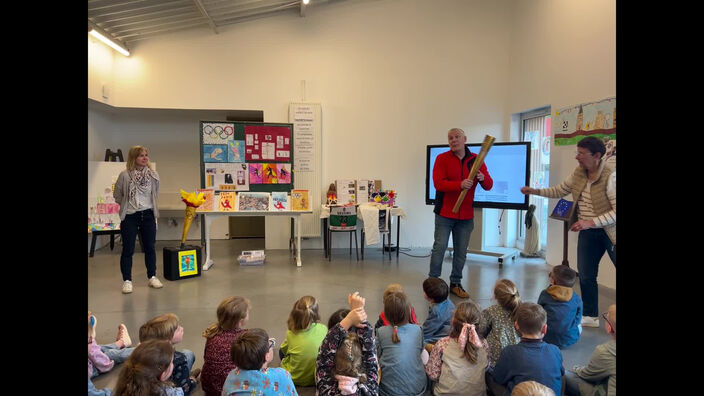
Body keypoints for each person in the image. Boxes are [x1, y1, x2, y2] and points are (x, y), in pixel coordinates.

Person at [520, 136, 615, 327]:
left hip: (611, 232)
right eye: (576, 152)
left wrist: (591, 221)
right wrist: (535, 191)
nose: (577, 157)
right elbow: (560, 190)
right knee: (587, 275)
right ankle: (591, 316)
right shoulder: (579, 173)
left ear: (597, 155)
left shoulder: (611, 175)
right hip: (589, 232)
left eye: (581, 153)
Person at [429, 128, 493, 298]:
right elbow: (439, 183)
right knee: (440, 247)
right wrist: (459, 184)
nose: (453, 140)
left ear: (465, 139)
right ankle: (433, 283)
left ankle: (455, 283)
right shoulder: (441, 158)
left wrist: (482, 178)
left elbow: (489, 185)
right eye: (450, 138)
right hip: (444, 213)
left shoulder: (476, 160)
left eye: (457, 137)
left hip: (465, 215)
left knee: (461, 251)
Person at [113, 145, 163, 294]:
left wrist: (146, 206)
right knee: (128, 249)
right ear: (134, 158)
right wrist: (129, 205)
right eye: (141, 155)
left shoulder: (153, 175)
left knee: (150, 247)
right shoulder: (125, 175)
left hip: (148, 214)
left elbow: (155, 194)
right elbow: (117, 195)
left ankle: (152, 276)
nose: (145, 158)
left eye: (146, 155)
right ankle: (127, 280)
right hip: (130, 216)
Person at [488, 303, 564, 396]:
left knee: (489, 375)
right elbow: (561, 373)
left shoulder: (510, 352)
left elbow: (498, 378)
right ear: (544, 328)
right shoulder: (555, 350)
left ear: (516, 326)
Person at [316, 292, 379, 395]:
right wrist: (358, 312)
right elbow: (370, 354)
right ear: (362, 363)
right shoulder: (369, 390)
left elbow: (325, 352)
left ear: (332, 363)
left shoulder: (327, 389)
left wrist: (349, 319)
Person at [425, 300, 489, 396]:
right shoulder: (483, 344)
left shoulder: (442, 344)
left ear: (453, 321)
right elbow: (486, 367)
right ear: (478, 325)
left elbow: (433, 375)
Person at [376, 291, 427, 396]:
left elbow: (376, 355)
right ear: (409, 312)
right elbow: (421, 351)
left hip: (388, 391)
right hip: (418, 389)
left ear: (385, 314)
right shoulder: (418, 330)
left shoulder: (381, 332)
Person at [221, 328, 298, 396]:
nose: (271, 344)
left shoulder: (231, 377)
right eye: (270, 344)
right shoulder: (283, 375)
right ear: (266, 356)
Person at [201, 296, 250, 396]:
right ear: (240, 322)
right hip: (231, 390)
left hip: (210, 387)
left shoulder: (213, 332)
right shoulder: (245, 337)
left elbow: (206, 357)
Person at [139, 313, 199, 395]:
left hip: (158, 383)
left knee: (187, 354)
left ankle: (186, 376)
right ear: (166, 340)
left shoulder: (142, 354)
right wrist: (193, 382)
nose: (182, 328)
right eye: (177, 329)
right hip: (172, 387)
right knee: (188, 354)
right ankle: (189, 378)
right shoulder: (178, 359)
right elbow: (184, 390)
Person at [564, 304, 616, 396]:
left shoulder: (605, 351)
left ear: (609, 328)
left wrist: (576, 369)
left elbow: (587, 375)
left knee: (563, 374)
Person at [279, 295, 328, 386]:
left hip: (293, 378)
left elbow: (284, 351)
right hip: (316, 377)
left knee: (281, 351)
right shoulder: (323, 329)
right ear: (316, 313)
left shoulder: (290, 333)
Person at [114, 339, 184, 396]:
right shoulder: (172, 393)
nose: (173, 364)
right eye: (171, 362)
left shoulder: (123, 386)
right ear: (163, 375)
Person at [477, 279, 521, 367]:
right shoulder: (522, 310)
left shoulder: (491, 311)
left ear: (495, 296)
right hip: (518, 354)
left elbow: (480, 330)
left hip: (495, 358)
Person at [88, 311, 134, 396]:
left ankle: (122, 343)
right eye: (90, 340)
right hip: (93, 366)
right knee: (109, 354)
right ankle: (137, 349)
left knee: (99, 349)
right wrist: (124, 391)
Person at [538, 265, 583, 349]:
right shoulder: (576, 298)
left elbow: (538, 313)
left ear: (552, 280)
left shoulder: (545, 294)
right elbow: (578, 318)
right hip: (570, 339)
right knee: (579, 324)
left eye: (550, 274)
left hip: (547, 337)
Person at [422, 277, 456, 346]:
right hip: (448, 330)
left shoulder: (436, 312)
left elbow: (426, 332)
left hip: (443, 335)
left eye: (424, 291)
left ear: (431, 299)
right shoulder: (447, 301)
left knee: (420, 341)